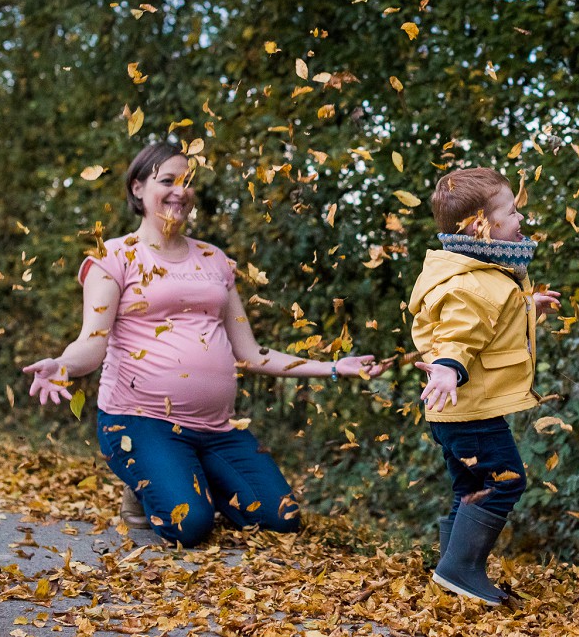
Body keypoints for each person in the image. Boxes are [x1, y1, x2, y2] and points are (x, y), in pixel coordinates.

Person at [22, 143, 380, 548]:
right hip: (139, 419)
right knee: (190, 526)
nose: (180, 191)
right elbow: (92, 342)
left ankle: (183, 473)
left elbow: (251, 353)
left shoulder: (215, 260)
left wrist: (335, 367)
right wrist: (63, 365)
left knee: (281, 519)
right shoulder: (114, 258)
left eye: (187, 182)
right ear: (138, 188)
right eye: (167, 181)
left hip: (216, 429)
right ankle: (149, 484)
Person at [409, 167, 560, 605]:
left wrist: (528, 308)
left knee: (469, 486)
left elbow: (491, 317)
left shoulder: (476, 271)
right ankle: (460, 568)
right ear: (481, 226)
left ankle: (450, 572)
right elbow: (458, 332)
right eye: (511, 212)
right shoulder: (471, 284)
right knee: (506, 481)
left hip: (457, 413)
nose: (519, 220)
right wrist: (448, 367)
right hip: (470, 410)